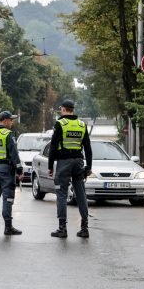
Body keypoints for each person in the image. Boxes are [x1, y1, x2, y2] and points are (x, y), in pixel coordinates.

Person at [47, 98, 92, 238]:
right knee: (81, 194)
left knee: (61, 194)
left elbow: (53, 146)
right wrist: (88, 166)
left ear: (63, 109)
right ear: (73, 110)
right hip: (78, 162)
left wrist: (50, 166)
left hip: (64, 163)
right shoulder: (81, 125)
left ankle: (62, 228)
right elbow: (88, 147)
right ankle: (84, 228)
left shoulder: (60, 124)